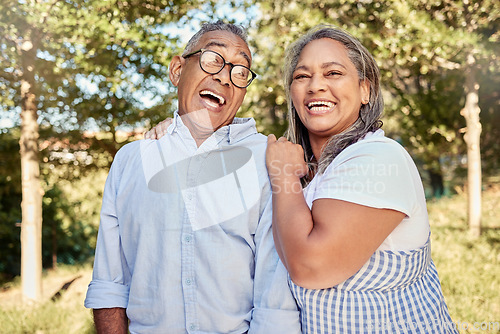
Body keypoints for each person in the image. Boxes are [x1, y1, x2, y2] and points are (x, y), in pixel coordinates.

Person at [84, 21, 301, 334]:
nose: (225, 77)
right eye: (213, 59)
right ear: (177, 70)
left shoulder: (266, 160)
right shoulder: (130, 161)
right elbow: (109, 283)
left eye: (240, 71)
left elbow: (274, 295)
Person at [265, 25, 458, 333]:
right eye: (302, 76)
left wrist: (283, 175)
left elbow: (310, 267)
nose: (315, 86)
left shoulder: (379, 159)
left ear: (365, 90)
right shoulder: (310, 173)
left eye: (333, 73)